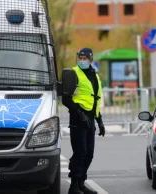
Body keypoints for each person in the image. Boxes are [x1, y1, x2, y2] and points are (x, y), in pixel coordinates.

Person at [62, 48, 106, 194]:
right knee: (80, 152)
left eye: (85, 58)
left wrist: (99, 120)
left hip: (90, 118)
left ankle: (81, 183)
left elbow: (95, 100)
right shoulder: (73, 73)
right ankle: (74, 185)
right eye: (80, 58)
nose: (82, 61)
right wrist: (80, 114)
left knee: (89, 153)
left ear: (91, 59)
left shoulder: (95, 75)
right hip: (78, 117)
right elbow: (66, 99)